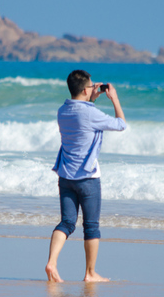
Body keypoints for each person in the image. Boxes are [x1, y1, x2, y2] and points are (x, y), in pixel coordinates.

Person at [45, 69, 126, 282]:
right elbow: (120, 124)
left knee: (67, 223)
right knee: (91, 226)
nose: (93, 88)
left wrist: (92, 98)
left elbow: (83, 118)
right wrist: (114, 99)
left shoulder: (62, 110)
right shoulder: (91, 113)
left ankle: (51, 262)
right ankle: (90, 274)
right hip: (88, 178)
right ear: (83, 90)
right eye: (91, 86)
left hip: (66, 176)